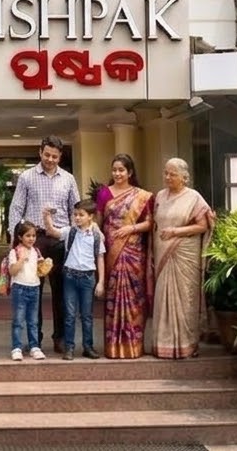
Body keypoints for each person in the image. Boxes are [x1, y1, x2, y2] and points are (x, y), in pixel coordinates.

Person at [7, 135, 81, 353]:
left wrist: (74, 240)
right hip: (34, 241)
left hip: (60, 241)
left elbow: (75, 212)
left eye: (55, 156)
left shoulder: (68, 179)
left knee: (61, 292)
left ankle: (60, 339)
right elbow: (16, 208)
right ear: (40, 153)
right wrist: (15, 240)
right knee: (32, 291)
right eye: (47, 155)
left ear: (60, 157)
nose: (50, 159)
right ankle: (34, 340)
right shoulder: (27, 177)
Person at [150, 157, 215, 359]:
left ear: (184, 177)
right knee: (163, 297)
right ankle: (163, 344)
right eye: (166, 173)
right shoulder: (160, 196)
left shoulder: (193, 197)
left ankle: (187, 345)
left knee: (185, 300)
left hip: (185, 254)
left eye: (173, 174)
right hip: (163, 253)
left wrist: (176, 232)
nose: (168, 177)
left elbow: (203, 226)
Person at [99, 153, 153, 359]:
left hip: (134, 253)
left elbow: (149, 223)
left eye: (121, 170)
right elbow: (99, 222)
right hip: (112, 252)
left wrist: (130, 228)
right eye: (114, 170)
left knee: (133, 298)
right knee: (113, 297)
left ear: (130, 172)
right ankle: (113, 347)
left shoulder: (142, 196)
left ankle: (134, 346)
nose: (117, 173)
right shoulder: (105, 193)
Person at [43, 199, 105, 359]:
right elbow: (52, 231)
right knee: (69, 314)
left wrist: (101, 282)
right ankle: (69, 347)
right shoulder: (70, 231)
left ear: (90, 216)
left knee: (87, 315)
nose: (77, 218)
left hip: (88, 277)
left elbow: (100, 258)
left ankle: (88, 346)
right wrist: (47, 217)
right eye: (75, 214)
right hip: (70, 276)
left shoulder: (96, 236)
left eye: (81, 215)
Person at [6, 220, 46, 361]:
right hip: (20, 288)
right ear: (20, 237)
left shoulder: (36, 251)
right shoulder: (14, 252)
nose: (31, 239)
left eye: (34, 236)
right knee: (18, 320)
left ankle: (34, 346)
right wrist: (21, 260)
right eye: (28, 236)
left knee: (33, 320)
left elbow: (41, 271)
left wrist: (45, 266)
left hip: (34, 288)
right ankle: (17, 347)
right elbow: (12, 271)